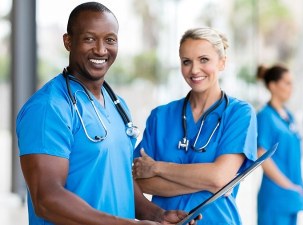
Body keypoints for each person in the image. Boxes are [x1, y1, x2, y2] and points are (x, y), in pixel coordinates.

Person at [16, 2, 199, 224]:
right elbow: (46, 198)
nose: (101, 50)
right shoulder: (49, 108)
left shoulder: (117, 105)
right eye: (89, 39)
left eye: (110, 40)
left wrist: (156, 214)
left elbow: (118, 176)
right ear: (68, 41)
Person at [132, 27, 258, 225]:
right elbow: (139, 181)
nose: (194, 70)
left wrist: (157, 168)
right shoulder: (160, 116)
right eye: (186, 62)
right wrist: (209, 183)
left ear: (222, 62)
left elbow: (219, 177)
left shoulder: (239, 113)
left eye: (204, 60)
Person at [256, 65, 303, 225]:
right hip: (276, 194)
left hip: (291, 194)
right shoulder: (265, 116)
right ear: (272, 86)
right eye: (287, 83)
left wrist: (296, 187)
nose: (291, 88)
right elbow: (261, 156)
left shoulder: (288, 116)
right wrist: (288, 186)